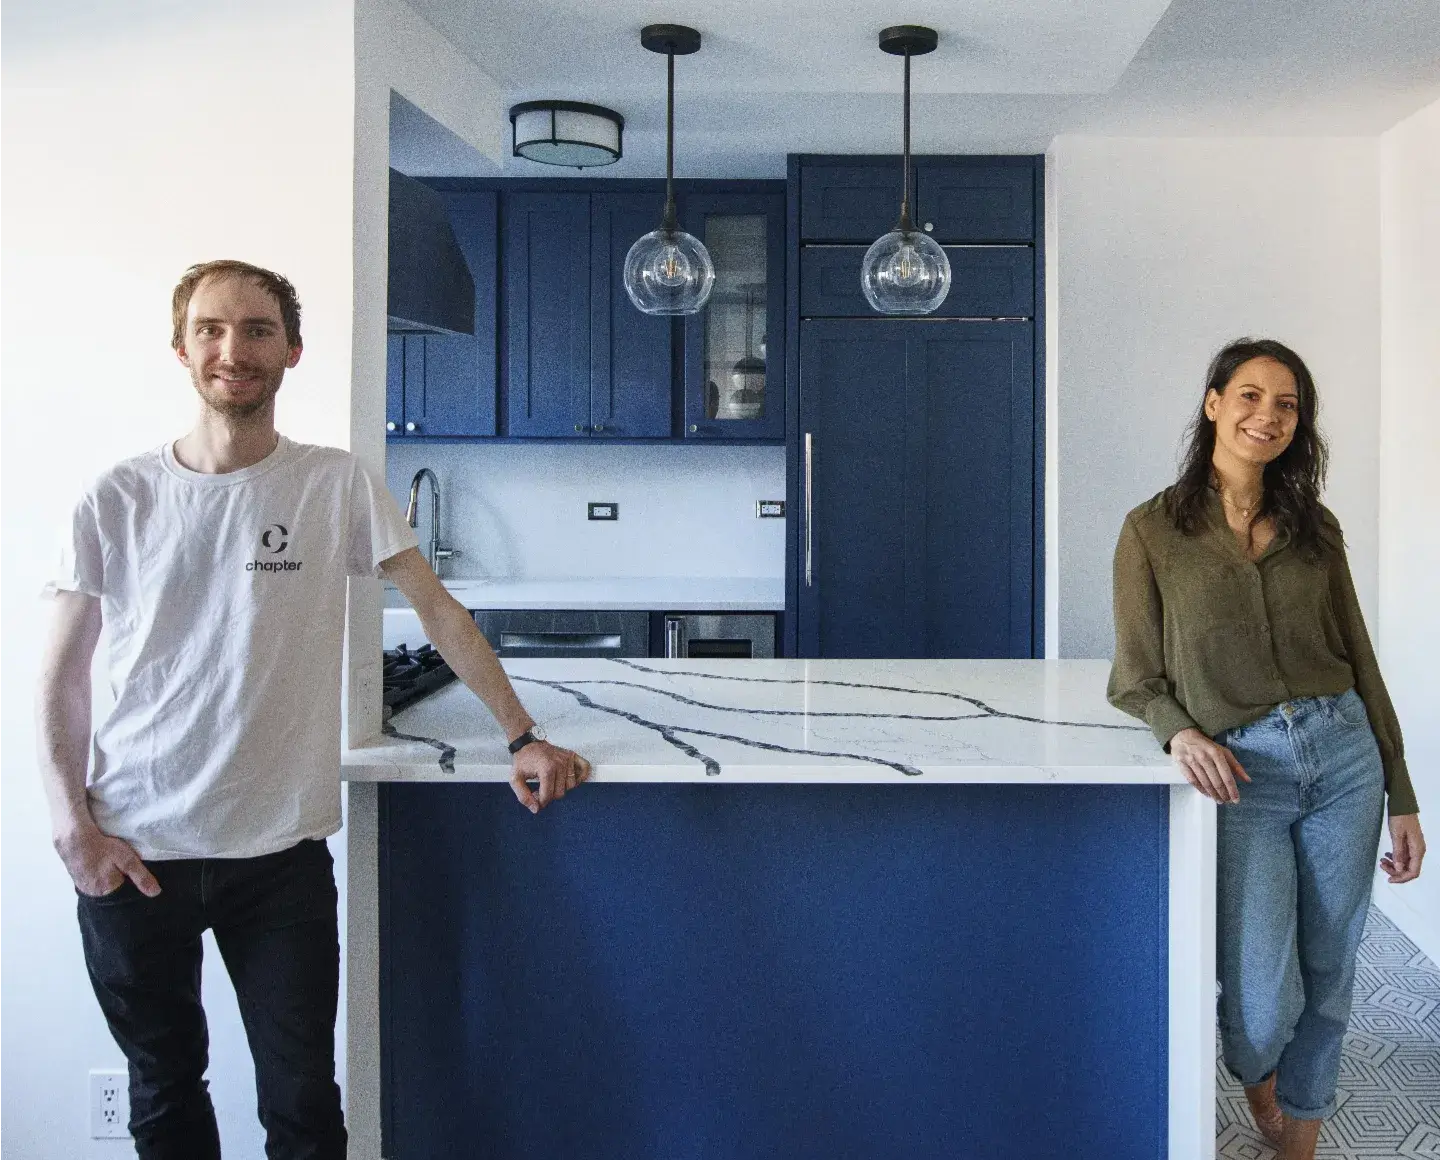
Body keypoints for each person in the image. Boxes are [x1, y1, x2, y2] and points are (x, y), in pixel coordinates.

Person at [35, 259, 591, 1159]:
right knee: (165, 1094)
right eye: (212, 329)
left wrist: (520, 734)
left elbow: (438, 611)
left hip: (278, 858)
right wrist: (72, 828)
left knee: (302, 1108)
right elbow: (60, 675)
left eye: (257, 330)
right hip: (136, 849)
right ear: (180, 348)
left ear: (293, 351)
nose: (233, 349)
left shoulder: (335, 484)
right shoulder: (118, 497)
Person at [1106, 338, 1425, 1160]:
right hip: (1244, 773)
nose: (1268, 416)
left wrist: (1401, 793)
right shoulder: (1151, 531)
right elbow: (1134, 677)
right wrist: (1180, 731)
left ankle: (1299, 1136)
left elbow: (1361, 659)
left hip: (1344, 756)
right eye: (1250, 395)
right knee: (1256, 987)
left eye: (1287, 404)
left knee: (1332, 967)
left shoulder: (1316, 529)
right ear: (1214, 403)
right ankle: (1259, 1085)